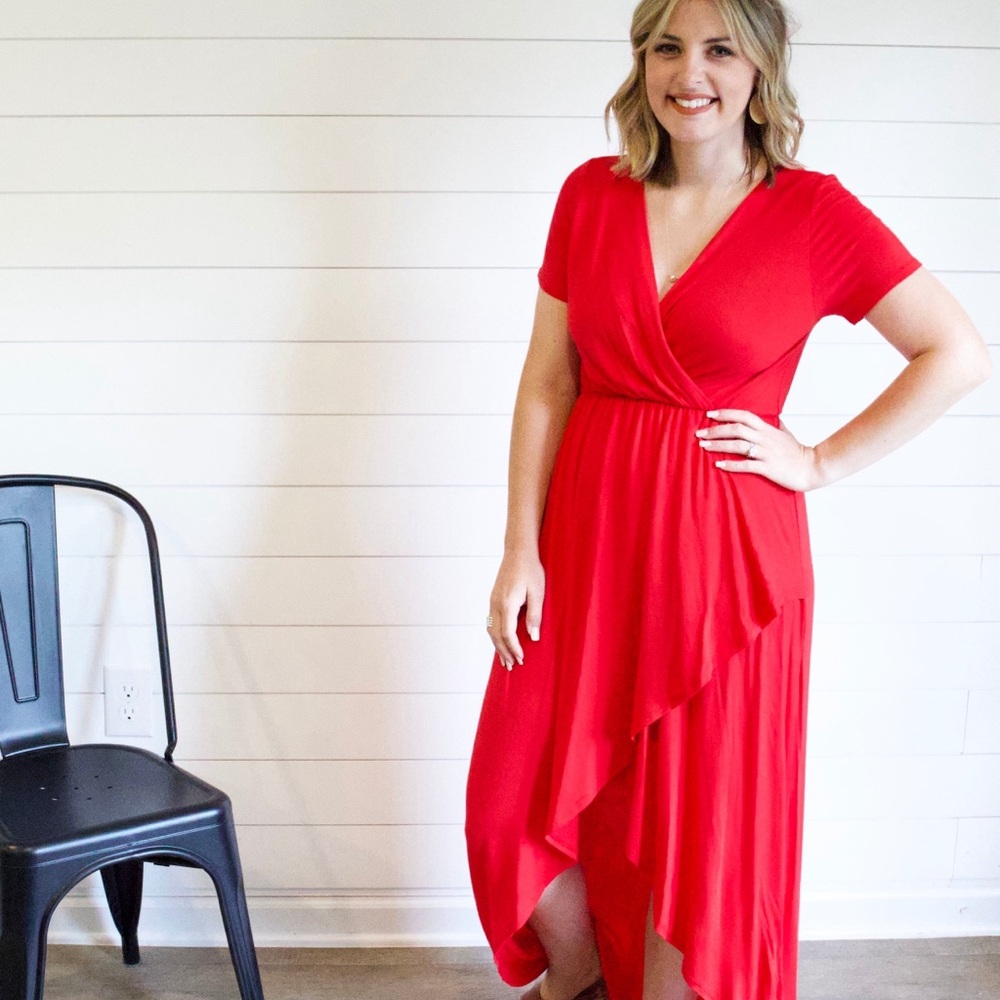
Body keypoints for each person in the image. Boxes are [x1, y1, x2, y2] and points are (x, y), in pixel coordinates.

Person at [464, 0, 991, 998]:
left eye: (718, 49)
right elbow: (548, 380)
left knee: (695, 834)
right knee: (507, 806)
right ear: (642, 64)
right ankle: (582, 975)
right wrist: (518, 547)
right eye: (667, 47)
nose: (689, 73)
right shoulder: (590, 194)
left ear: (760, 70)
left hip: (730, 567)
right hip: (586, 544)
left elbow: (956, 351)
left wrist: (819, 460)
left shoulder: (814, 213)